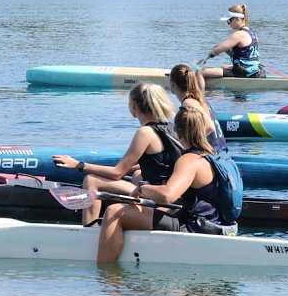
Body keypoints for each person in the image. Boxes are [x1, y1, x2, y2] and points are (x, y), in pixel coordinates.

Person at [96, 106, 240, 263]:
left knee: (114, 212)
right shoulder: (213, 155)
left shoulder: (189, 160)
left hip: (198, 228)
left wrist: (141, 189)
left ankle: (108, 280)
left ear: (178, 133)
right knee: (153, 210)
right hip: (221, 225)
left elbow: (167, 195)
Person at [52, 82, 180, 225]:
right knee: (137, 175)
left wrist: (78, 165)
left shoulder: (145, 133)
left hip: (156, 197)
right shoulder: (172, 128)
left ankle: (89, 228)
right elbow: (163, 162)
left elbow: (117, 173)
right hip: (170, 194)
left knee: (91, 180)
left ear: (133, 106)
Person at [168, 63, 229, 153]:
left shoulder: (189, 103)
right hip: (220, 150)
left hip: (212, 152)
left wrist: (191, 146)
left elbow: (209, 126)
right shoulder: (198, 98)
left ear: (173, 84)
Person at [202, 3, 263, 78]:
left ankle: (199, 90)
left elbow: (216, 51)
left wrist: (213, 53)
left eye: (229, 20)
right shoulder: (251, 32)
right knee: (224, 67)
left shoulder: (239, 34)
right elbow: (243, 55)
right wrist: (226, 50)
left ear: (237, 18)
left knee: (200, 72)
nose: (228, 23)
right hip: (255, 69)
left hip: (243, 71)